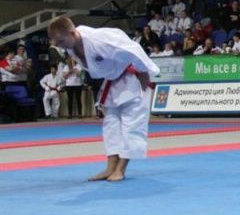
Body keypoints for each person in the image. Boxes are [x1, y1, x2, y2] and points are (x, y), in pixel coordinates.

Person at [48, 16, 160, 182]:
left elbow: (134, 49)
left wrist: (143, 71)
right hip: (113, 80)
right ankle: (110, 167)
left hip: (134, 76)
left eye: (61, 41)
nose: (58, 45)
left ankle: (120, 169)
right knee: (110, 124)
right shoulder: (71, 46)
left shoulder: (100, 40)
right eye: (55, 42)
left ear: (72, 33)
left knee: (132, 124)